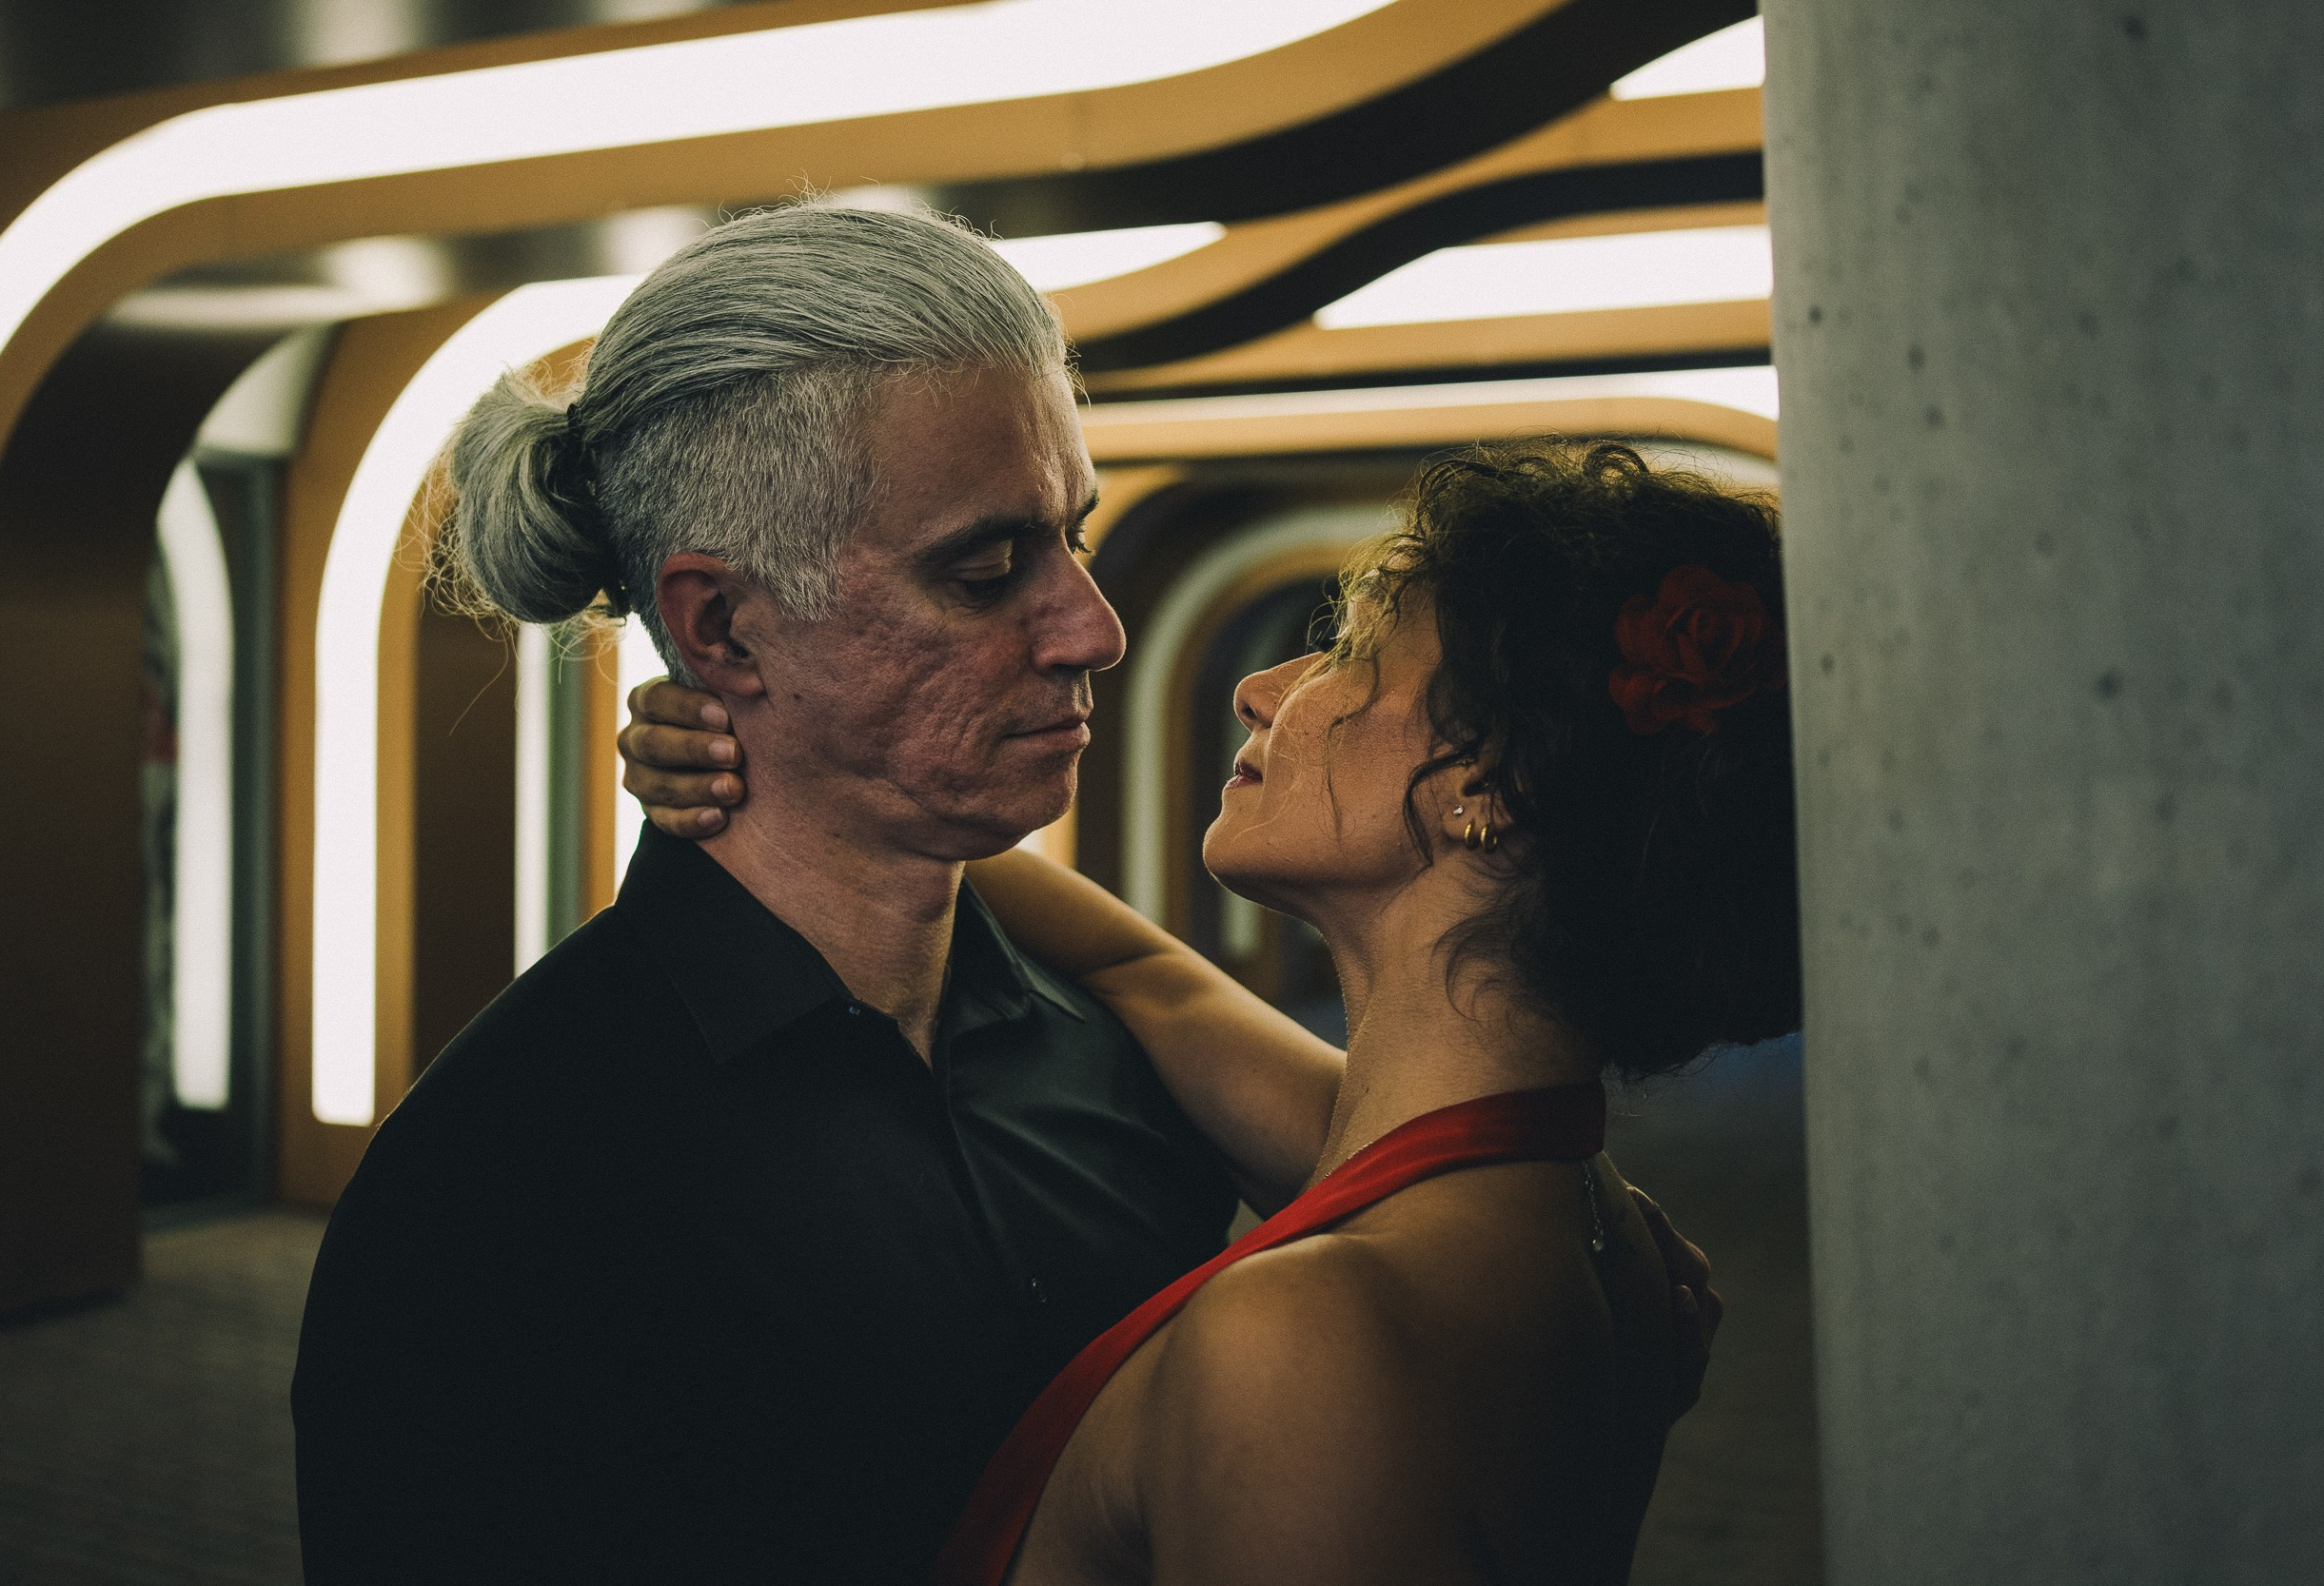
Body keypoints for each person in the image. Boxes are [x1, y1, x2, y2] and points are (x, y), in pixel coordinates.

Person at [292, 201, 1718, 1583]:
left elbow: (1454, 1176)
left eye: (1075, 537)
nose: (1093, 629)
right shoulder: (500, 1188)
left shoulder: (1129, 1054)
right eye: (987, 570)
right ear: (721, 623)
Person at [622, 437, 1790, 1584]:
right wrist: (787, 762)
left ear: (1490, 779)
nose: (1262, 686)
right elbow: (1149, 977)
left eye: (1353, 650)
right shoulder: (1583, 1214)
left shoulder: (1307, 1343)